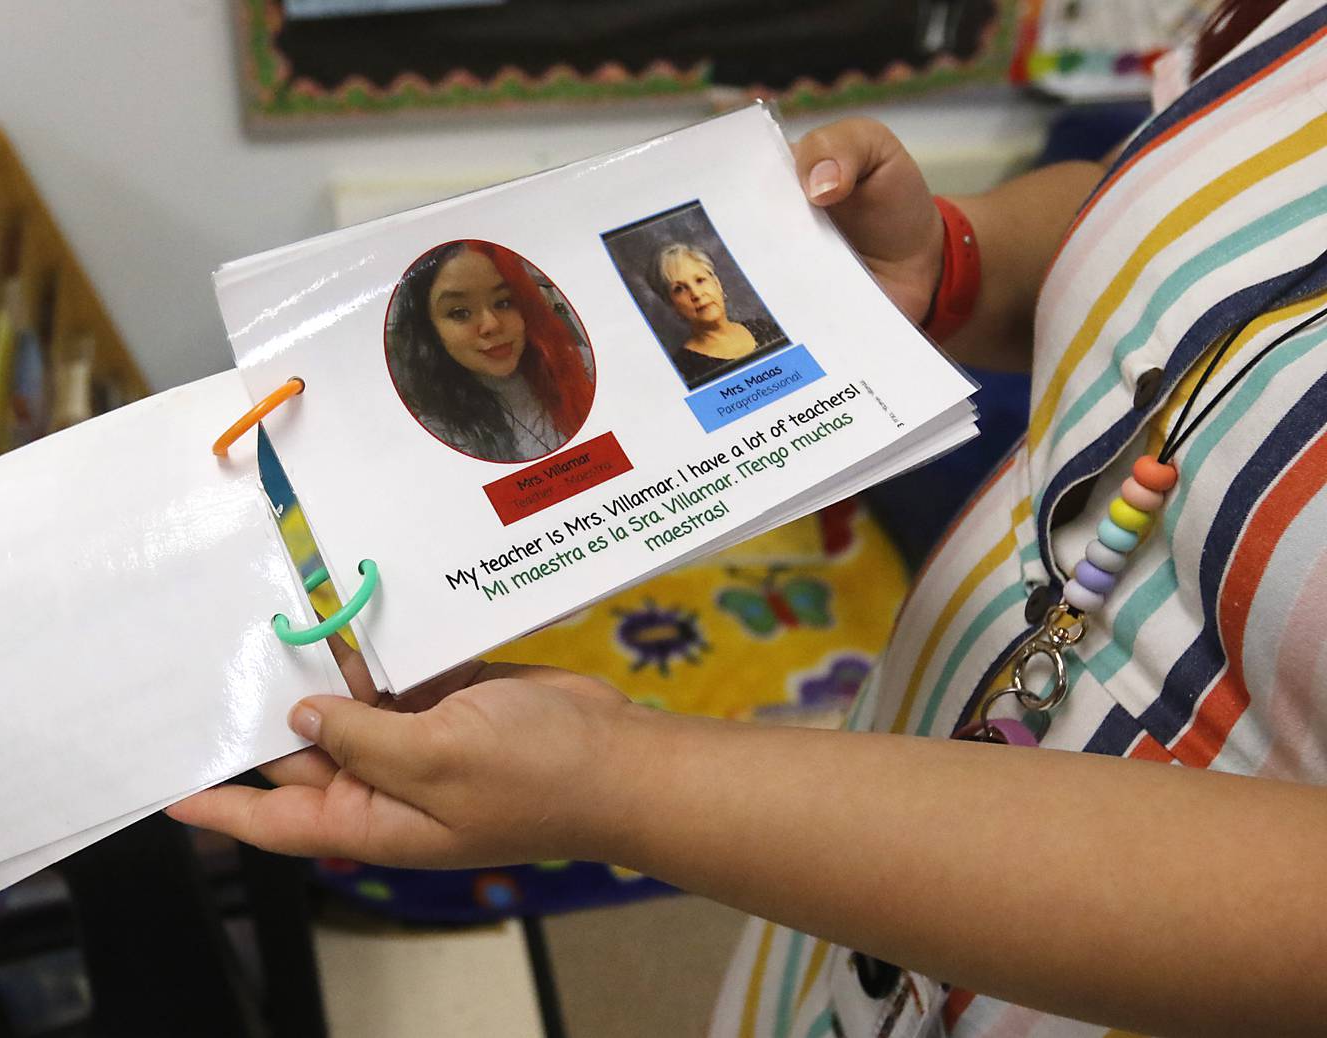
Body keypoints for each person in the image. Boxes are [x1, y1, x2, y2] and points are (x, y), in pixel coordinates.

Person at [170, 2, 1327, 1034]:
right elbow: (1185, 210)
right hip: (858, 846)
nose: (692, 299)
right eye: (456, 314)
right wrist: (954, 265)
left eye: (500, 305)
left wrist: (619, 784)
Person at [386, 239, 595, 463]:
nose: (491, 324)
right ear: (431, 330)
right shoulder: (433, 431)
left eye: (504, 302)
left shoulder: (583, 365)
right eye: (459, 312)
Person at [648, 242, 785, 387]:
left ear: (717, 284)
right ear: (671, 304)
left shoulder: (764, 328)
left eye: (700, 280)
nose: (696, 294)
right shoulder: (683, 370)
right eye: (679, 289)